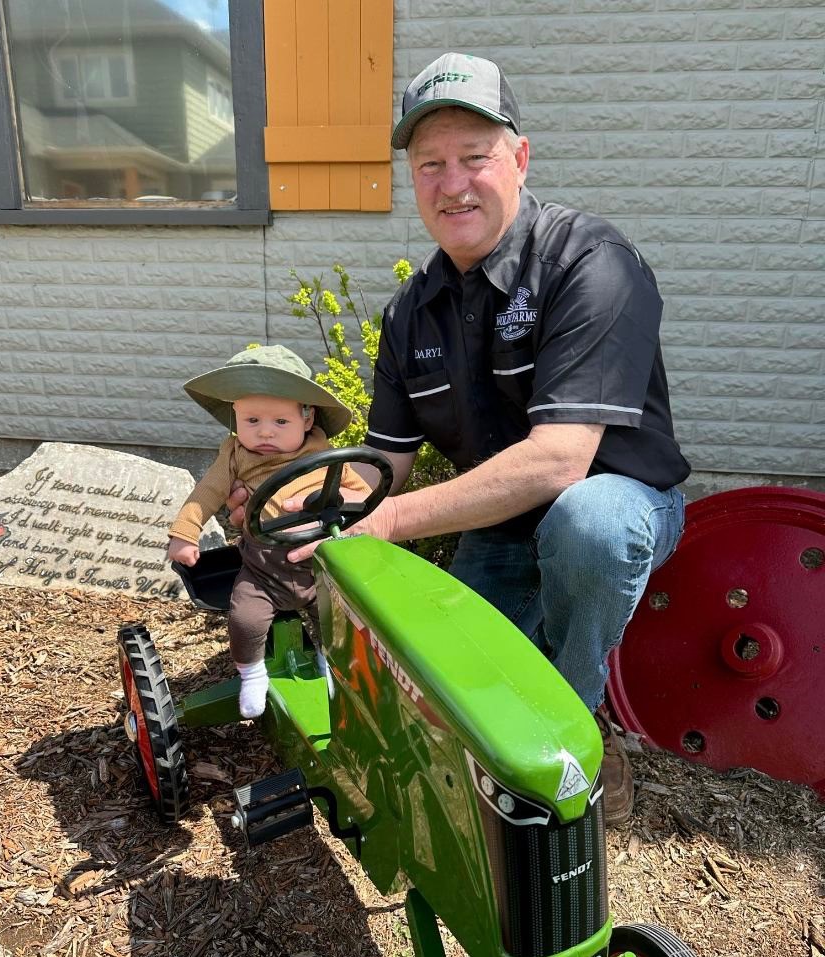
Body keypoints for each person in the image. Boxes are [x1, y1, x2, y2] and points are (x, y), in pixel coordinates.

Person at [229, 53, 690, 824]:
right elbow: (388, 464)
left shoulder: (592, 263)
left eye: (474, 158)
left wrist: (390, 520)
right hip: (501, 526)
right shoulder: (413, 312)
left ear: (519, 158)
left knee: (590, 525)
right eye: (429, 165)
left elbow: (561, 459)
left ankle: (581, 730)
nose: (452, 184)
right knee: (442, 691)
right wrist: (310, 494)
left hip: (621, 504)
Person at [167, 343, 371, 719]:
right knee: (245, 619)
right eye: (252, 421)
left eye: (280, 422)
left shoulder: (324, 456)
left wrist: (338, 500)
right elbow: (208, 491)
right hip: (262, 568)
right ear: (235, 417)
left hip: (317, 565)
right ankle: (252, 672)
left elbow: (362, 495)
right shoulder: (234, 454)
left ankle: (332, 664)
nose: (265, 433)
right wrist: (185, 532)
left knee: (337, 622)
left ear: (307, 420)